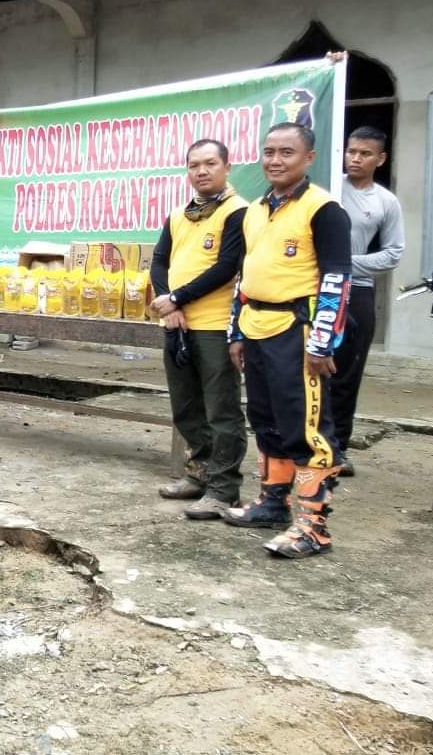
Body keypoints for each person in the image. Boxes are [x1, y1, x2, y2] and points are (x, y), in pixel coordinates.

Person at [223, 123, 352, 559]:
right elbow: (245, 274)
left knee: (306, 428)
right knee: (266, 419)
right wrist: (235, 330)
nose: (275, 160)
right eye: (269, 151)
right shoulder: (255, 209)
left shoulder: (324, 209)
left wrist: (322, 343)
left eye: (286, 153)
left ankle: (312, 527)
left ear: (309, 158)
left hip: (297, 330)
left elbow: (337, 278)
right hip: (256, 327)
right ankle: (271, 504)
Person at [149, 139, 248, 519]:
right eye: (194, 165)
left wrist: (179, 298)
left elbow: (226, 267)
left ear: (227, 167)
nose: (201, 171)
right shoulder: (179, 214)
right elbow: (159, 261)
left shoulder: (238, 211)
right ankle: (199, 473)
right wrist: (167, 302)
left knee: (221, 409)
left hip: (214, 325)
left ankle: (224, 489)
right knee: (185, 407)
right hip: (177, 322)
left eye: (210, 163)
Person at [331, 126, 404, 476]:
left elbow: (393, 254)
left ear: (381, 158)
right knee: (305, 368)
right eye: (351, 151)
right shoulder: (328, 186)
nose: (355, 158)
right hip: (312, 288)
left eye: (364, 153)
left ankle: (336, 448)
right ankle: (301, 442)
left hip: (356, 290)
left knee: (346, 373)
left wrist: (344, 261)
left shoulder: (385, 201)